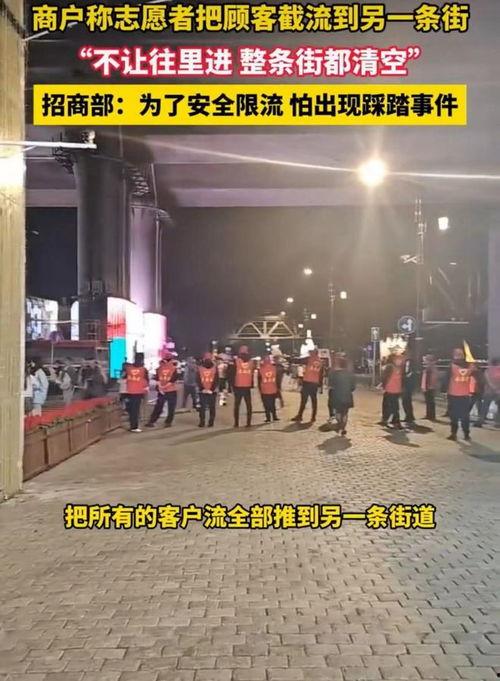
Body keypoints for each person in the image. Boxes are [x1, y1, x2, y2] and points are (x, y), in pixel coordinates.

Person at [444, 347, 474, 441]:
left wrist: (443, 390)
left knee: (454, 416)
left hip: (454, 394)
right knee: (464, 416)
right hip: (464, 394)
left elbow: (446, 379)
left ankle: (455, 434)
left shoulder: (451, 366)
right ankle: (465, 434)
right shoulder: (470, 366)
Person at [146, 353, 179, 428]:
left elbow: (157, 379)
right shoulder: (174, 368)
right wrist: (164, 387)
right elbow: (172, 380)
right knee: (171, 407)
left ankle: (152, 421)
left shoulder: (159, 368)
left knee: (158, 406)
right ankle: (168, 422)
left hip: (162, 391)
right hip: (171, 390)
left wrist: (161, 387)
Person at [291, 349, 324, 423]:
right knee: (314, 400)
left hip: (307, 382)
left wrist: (291, 358)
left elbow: (298, 361)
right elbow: (321, 375)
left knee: (304, 400)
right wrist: (320, 386)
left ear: (313, 353)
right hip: (315, 383)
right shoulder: (320, 362)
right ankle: (313, 417)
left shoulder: (309, 359)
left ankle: (300, 416)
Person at [228, 345, 254, 428]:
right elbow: (252, 374)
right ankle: (248, 423)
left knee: (237, 405)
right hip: (247, 386)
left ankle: (236, 423)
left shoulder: (235, 361)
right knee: (248, 405)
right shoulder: (251, 362)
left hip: (238, 386)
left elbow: (230, 374)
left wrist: (231, 386)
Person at [329, 356, 355, 436]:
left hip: (337, 396)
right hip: (347, 396)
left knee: (338, 412)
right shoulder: (350, 374)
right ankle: (343, 428)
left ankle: (340, 425)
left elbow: (331, 385)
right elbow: (353, 387)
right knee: (345, 413)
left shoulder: (334, 374)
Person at [123, 353, 149, 432]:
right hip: (138, 391)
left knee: (131, 409)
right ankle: (134, 427)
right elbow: (146, 381)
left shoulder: (128, 368)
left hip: (129, 391)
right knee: (136, 409)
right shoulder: (143, 369)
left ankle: (133, 425)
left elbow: (123, 377)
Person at [380, 353, 404, 429]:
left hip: (396, 390)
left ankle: (394, 421)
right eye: (398, 360)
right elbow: (385, 377)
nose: (400, 361)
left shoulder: (400, 368)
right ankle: (392, 421)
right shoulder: (390, 367)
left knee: (394, 406)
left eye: (400, 360)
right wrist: (383, 386)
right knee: (391, 406)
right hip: (390, 389)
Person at [475, 358, 500, 428]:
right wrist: (496, 388)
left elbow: (486, 380)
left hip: (489, 391)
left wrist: (492, 386)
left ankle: (480, 421)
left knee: (485, 406)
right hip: (497, 391)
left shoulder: (488, 371)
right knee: (498, 407)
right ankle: (498, 422)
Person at [197, 353, 218, 427]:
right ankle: (211, 422)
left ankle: (202, 422)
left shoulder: (199, 368)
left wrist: (202, 389)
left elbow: (198, 380)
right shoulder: (215, 368)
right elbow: (216, 380)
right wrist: (211, 389)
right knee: (212, 407)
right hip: (212, 391)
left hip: (202, 391)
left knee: (202, 407)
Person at [258, 355, 279, 423]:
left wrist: (260, 390)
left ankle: (268, 418)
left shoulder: (261, 369)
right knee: (273, 403)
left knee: (266, 404)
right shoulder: (274, 368)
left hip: (264, 390)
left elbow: (259, 381)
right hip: (273, 389)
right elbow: (277, 379)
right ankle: (274, 417)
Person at [421, 354, 439, 421]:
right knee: (429, 402)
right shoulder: (431, 367)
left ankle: (431, 415)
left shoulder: (430, 368)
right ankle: (429, 415)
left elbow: (428, 379)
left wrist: (426, 387)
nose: (424, 361)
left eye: (426, 360)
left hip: (429, 387)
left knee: (430, 402)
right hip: (430, 387)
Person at [402, 350, 416, 425]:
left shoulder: (413, 362)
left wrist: (408, 376)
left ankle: (409, 416)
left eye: (405, 355)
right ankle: (409, 416)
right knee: (405, 401)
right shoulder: (404, 363)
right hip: (405, 384)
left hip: (409, 384)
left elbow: (413, 372)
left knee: (407, 400)